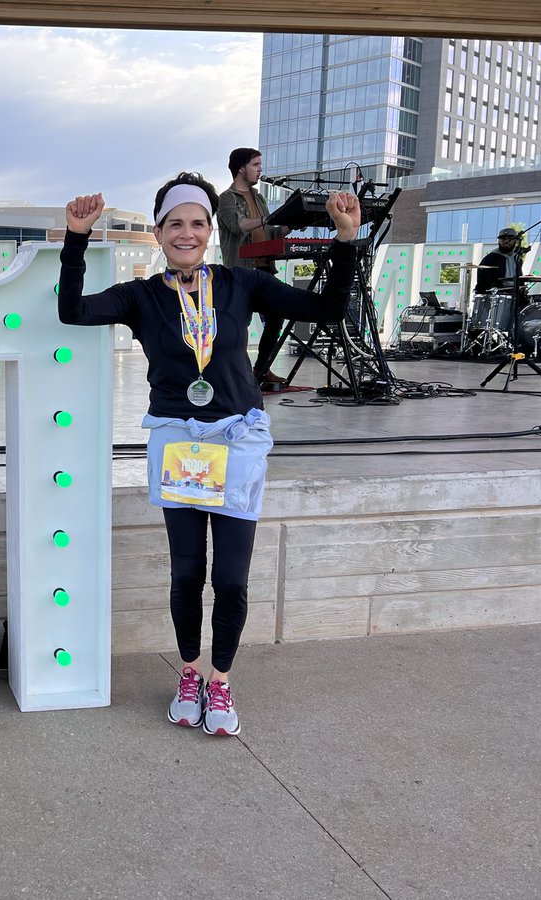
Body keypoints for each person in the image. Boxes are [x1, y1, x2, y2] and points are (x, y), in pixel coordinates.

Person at [59, 173, 359, 735]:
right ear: (158, 233)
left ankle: (221, 680)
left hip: (237, 441)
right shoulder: (142, 296)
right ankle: (190, 672)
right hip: (180, 443)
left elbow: (328, 310)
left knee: (231, 577)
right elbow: (72, 311)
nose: (188, 232)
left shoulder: (240, 284)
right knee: (187, 571)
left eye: (197, 222)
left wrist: (345, 240)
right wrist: (78, 237)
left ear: (208, 230)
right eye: (176, 223)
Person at [217, 148, 290, 389]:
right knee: (238, 326)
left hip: (265, 268)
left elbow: (269, 232)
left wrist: (288, 224)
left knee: (276, 320)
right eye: (256, 165)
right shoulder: (226, 199)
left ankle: (260, 371)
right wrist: (270, 219)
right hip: (240, 272)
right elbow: (240, 226)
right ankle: (236, 373)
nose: (260, 169)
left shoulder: (258, 197)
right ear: (241, 168)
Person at [475, 227, 525, 296]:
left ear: (515, 240)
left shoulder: (517, 258)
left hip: (514, 293)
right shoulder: (490, 258)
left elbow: (520, 277)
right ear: (499, 241)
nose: (506, 241)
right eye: (503, 239)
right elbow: (483, 283)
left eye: (509, 239)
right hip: (497, 295)